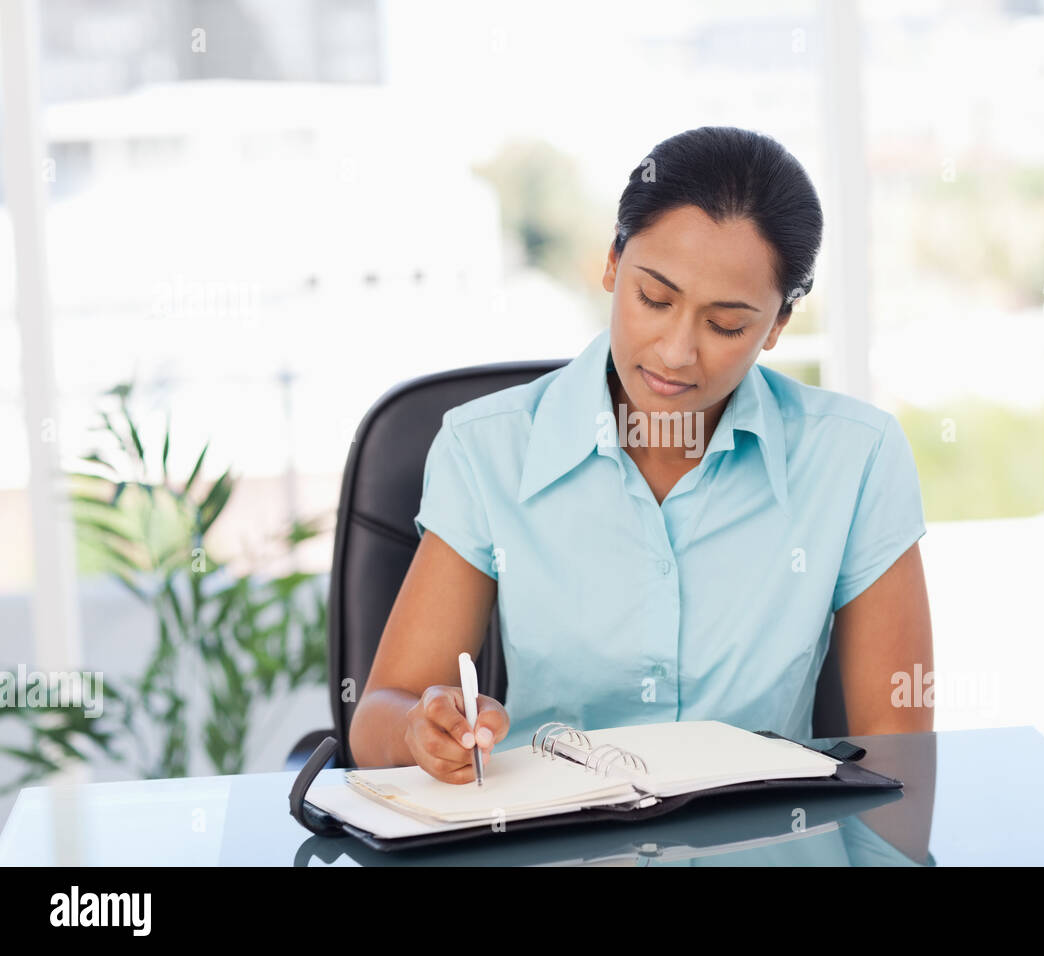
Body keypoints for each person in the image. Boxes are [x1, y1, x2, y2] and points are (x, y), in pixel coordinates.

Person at [349, 126, 933, 783]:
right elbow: (377, 718)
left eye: (726, 324)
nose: (676, 352)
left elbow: (898, 755)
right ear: (610, 264)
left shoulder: (856, 459)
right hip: (560, 846)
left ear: (776, 326)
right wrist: (419, 728)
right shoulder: (487, 451)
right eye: (654, 299)